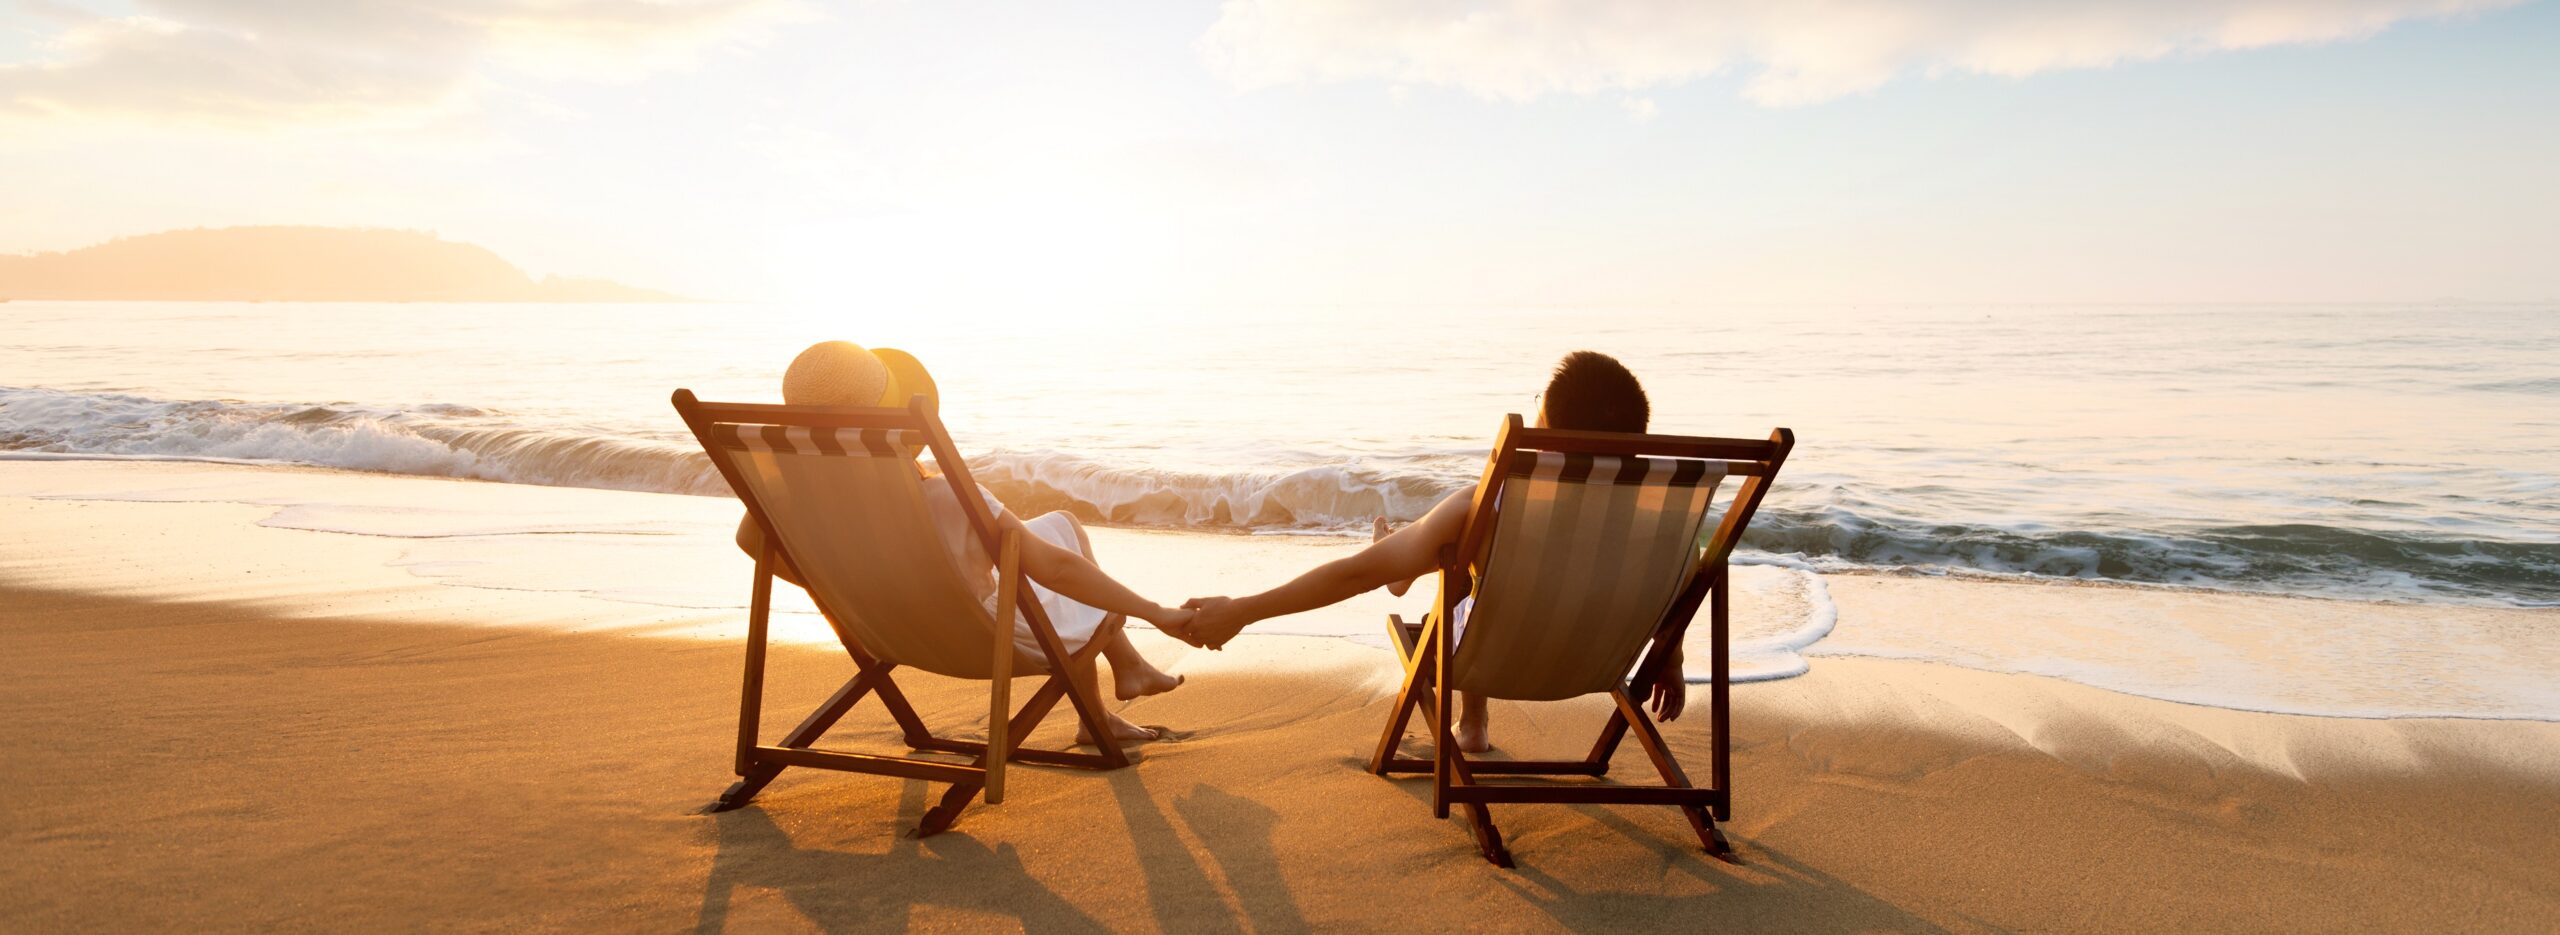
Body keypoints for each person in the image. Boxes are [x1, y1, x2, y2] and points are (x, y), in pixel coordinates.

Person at [1169, 351, 1687, 752]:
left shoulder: (1492, 505)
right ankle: (1415, 571)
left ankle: (1414, 583)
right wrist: (1671, 657)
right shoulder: (1667, 518)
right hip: (1599, 665)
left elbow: (1354, 575)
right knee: (1468, 558)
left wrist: (1242, 610)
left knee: (1460, 552)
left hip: (1489, 658)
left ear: (1547, 435)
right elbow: (1680, 588)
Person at [734, 341, 1188, 745]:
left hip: (886, 631)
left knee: (1058, 523)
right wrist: (1157, 612)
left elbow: (749, 539)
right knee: (1062, 546)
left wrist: (841, 591)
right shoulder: (947, 498)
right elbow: (1057, 571)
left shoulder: (788, 498)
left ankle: (1117, 686)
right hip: (983, 636)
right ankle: (1106, 701)